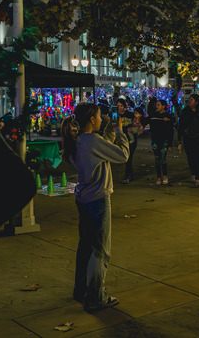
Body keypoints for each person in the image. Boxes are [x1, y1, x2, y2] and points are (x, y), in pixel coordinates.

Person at [60, 103, 129, 312]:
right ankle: (96, 297)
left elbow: (102, 150)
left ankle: (81, 290)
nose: (101, 119)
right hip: (98, 199)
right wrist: (121, 132)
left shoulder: (81, 141)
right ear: (91, 119)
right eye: (99, 116)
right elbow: (122, 155)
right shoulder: (92, 141)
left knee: (86, 247)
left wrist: (110, 133)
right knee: (100, 251)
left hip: (84, 199)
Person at [149, 99, 174, 185]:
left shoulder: (168, 116)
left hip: (164, 140)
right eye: (156, 105)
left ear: (163, 106)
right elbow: (146, 122)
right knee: (157, 159)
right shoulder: (153, 115)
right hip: (155, 139)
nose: (157, 106)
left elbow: (171, 130)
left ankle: (165, 176)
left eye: (158, 105)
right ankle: (159, 177)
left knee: (163, 159)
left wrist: (170, 143)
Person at [115, 99, 135, 183]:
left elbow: (136, 124)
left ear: (125, 106)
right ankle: (130, 174)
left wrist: (133, 128)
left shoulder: (130, 115)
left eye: (121, 106)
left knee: (129, 158)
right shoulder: (114, 115)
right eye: (118, 106)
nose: (120, 108)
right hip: (120, 139)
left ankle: (127, 176)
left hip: (131, 139)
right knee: (125, 158)